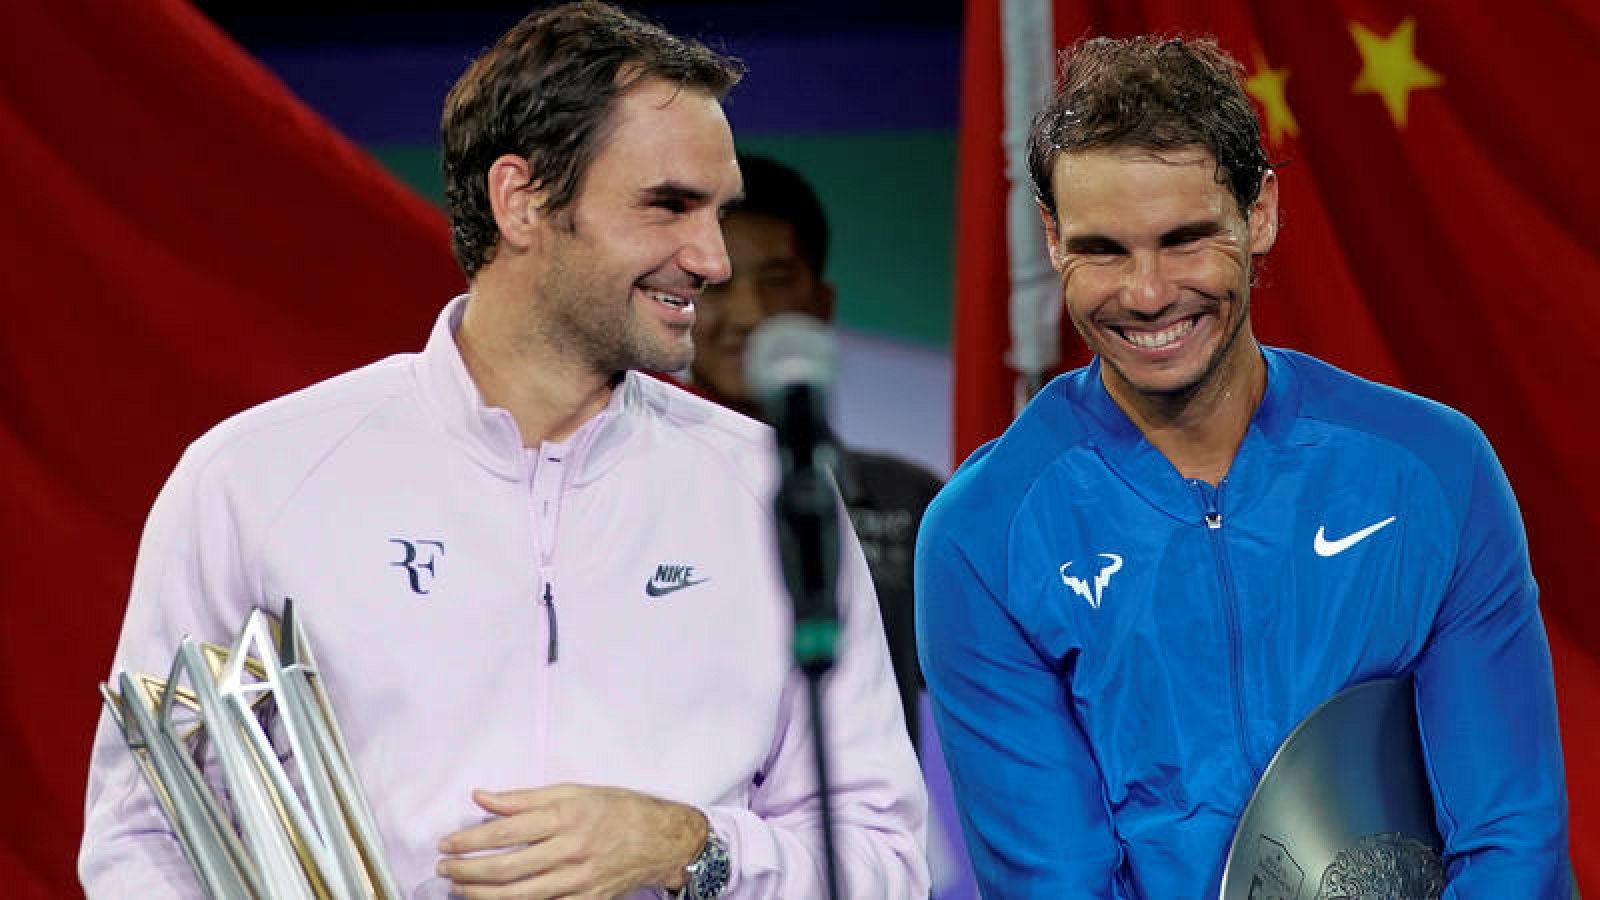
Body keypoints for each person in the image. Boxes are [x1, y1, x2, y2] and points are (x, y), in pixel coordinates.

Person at [78, 3, 929, 898]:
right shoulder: (253, 479)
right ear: (521, 199)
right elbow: (146, 837)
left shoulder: (765, 488)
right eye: (669, 205)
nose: (712, 258)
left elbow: (882, 860)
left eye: (719, 212)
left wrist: (688, 845)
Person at [915, 35, 1570, 897]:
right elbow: (1057, 881)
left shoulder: (1433, 469)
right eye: (1103, 249)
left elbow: (1510, 836)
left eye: (1185, 239)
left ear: (1258, 212)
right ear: (1050, 238)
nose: (1147, 293)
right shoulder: (982, 534)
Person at [686, 154, 944, 755]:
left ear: (822, 302)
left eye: (775, 281)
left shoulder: (908, 501)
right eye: (720, 286)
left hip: (860, 837)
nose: (749, 315)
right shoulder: (636, 495)